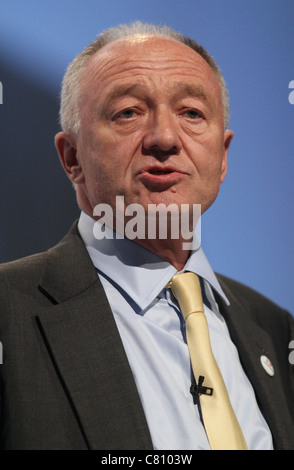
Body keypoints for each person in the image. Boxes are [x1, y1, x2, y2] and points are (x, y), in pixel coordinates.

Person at [0, 21, 293, 451]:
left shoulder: (277, 330)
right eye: (128, 113)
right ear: (72, 157)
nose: (165, 138)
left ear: (223, 156)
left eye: (192, 113)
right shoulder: (9, 312)